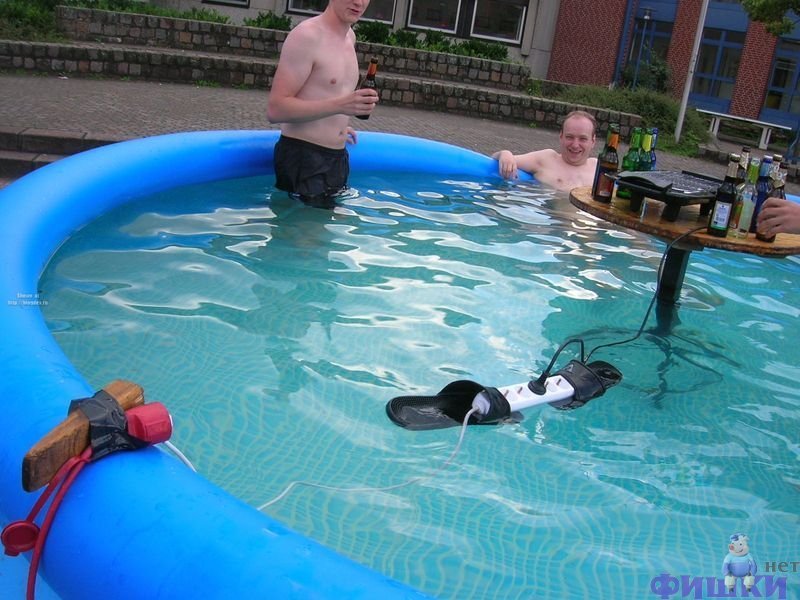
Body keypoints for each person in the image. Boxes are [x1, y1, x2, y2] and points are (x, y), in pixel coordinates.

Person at [266, 0, 379, 208]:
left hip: (337, 158)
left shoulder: (349, 37)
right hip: (303, 157)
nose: (359, 2)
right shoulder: (307, 36)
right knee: (305, 228)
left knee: (325, 227)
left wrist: (336, 125)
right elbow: (276, 109)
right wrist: (340, 106)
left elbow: (325, 93)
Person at [492, 110, 597, 192]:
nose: (575, 145)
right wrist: (504, 153)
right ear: (561, 136)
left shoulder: (598, 169)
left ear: (593, 141)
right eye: (569, 137)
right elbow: (496, 160)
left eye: (583, 139)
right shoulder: (546, 159)